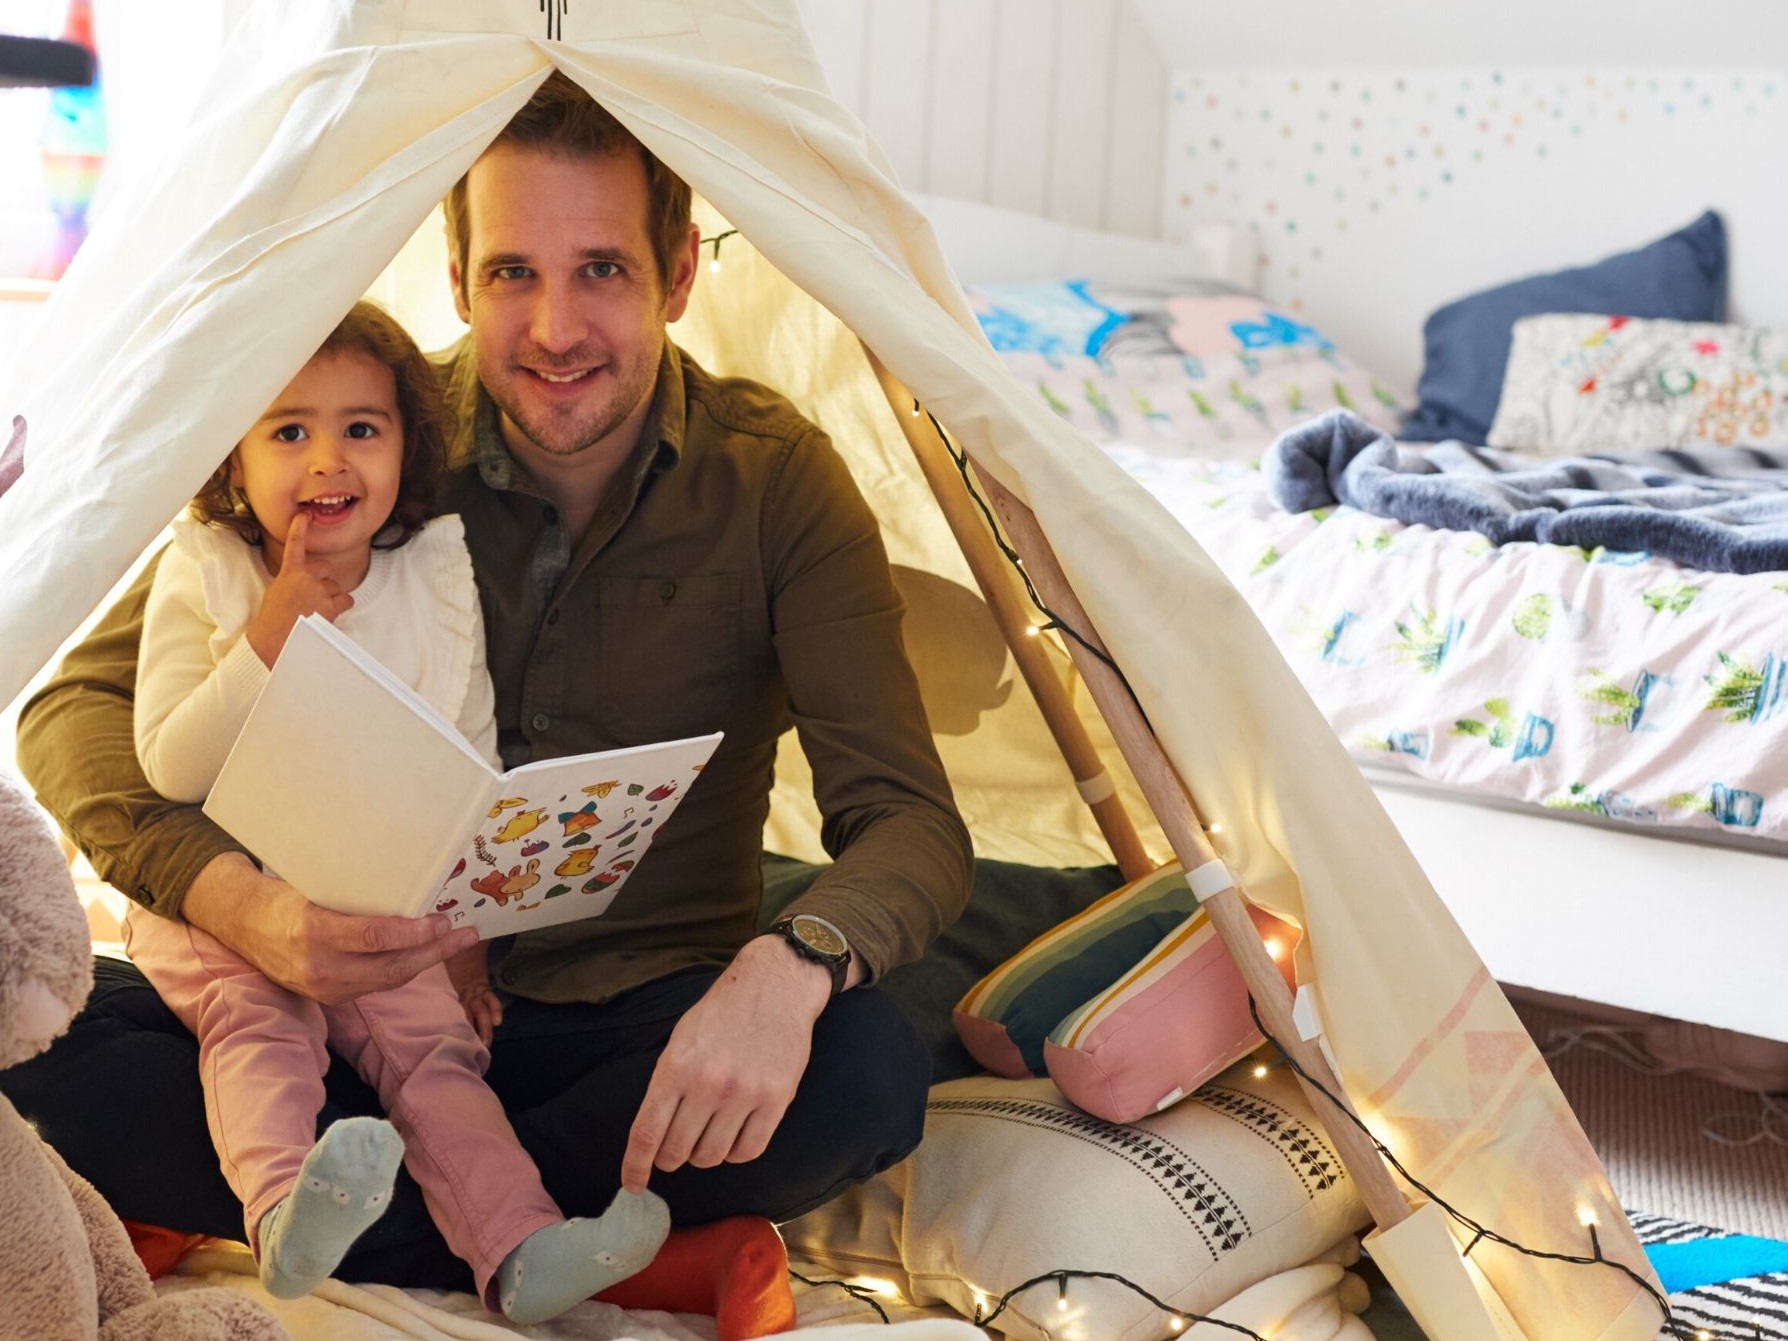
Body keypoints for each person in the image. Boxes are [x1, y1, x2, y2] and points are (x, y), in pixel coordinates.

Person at [8, 71, 973, 1296]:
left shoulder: (775, 480)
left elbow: (911, 820)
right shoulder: (359, 438)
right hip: (347, 1010)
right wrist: (246, 910)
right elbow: (75, 709)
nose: (556, 328)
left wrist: (787, 974)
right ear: (459, 278)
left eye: (602, 272)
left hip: (629, 1027)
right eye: (514, 272)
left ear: (677, 276)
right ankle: (574, 1250)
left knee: (865, 1077)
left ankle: (361, 1221)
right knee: (38, 1029)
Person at [120, 300, 670, 1323]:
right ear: (231, 456)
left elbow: (463, 744)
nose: (327, 460)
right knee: (259, 1018)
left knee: (439, 1051)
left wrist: (464, 937)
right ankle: (287, 1215)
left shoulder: (431, 568)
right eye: (289, 431)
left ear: (406, 448)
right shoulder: (206, 564)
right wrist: (267, 642)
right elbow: (167, 764)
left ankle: (522, 1250)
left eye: (360, 429)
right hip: (222, 897)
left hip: (366, 888)